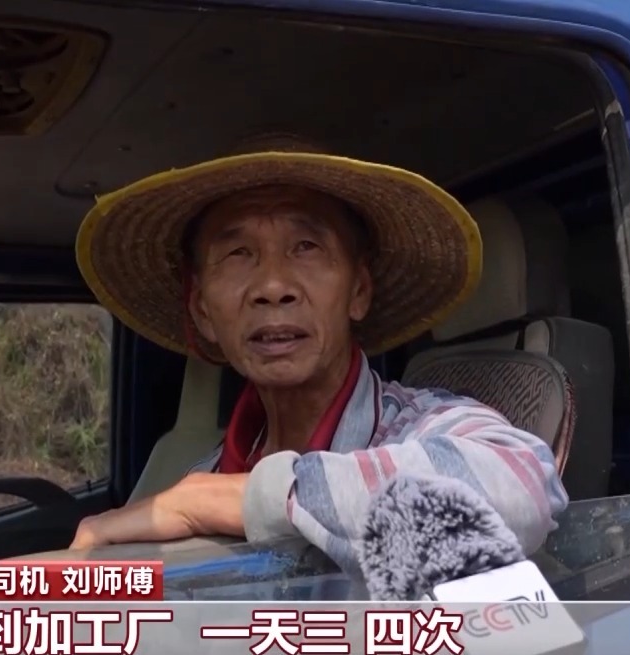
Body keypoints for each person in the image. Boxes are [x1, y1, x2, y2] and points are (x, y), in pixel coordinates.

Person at [68, 133, 569, 572]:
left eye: (306, 246)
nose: (273, 286)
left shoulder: (417, 427)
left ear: (359, 292)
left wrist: (254, 499)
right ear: (202, 311)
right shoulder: (206, 477)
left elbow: (522, 486)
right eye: (238, 254)